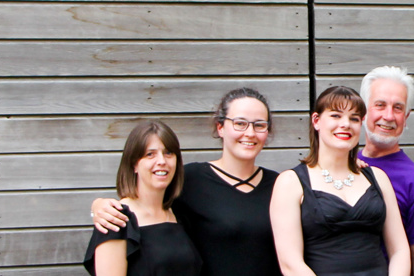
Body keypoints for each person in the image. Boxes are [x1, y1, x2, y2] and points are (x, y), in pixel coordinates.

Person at [90, 88, 282, 275]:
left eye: (259, 125)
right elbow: (143, 200)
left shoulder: (281, 186)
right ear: (220, 127)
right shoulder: (190, 180)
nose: (250, 133)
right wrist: (98, 206)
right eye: (240, 123)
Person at [270, 86, 410, 275]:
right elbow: (290, 263)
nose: (345, 124)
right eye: (336, 115)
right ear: (316, 121)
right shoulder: (290, 183)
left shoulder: (378, 178)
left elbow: (400, 250)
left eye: (354, 118)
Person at [357, 66, 414, 276]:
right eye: (380, 105)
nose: (388, 116)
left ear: (406, 117)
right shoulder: (340, 166)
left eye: (398, 108)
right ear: (363, 111)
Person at [83, 120, 202, 275]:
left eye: (168, 153)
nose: (161, 161)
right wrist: (97, 204)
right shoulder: (116, 220)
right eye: (150, 154)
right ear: (134, 164)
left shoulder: (178, 213)